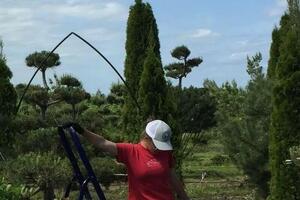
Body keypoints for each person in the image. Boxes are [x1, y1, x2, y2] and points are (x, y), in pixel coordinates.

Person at [65, 119, 190, 200]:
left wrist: (185, 197)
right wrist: (82, 131)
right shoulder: (131, 151)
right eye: (157, 143)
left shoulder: (165, 153)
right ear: (147, 138)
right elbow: (102, 143)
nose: (160, 148)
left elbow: (172, 177)